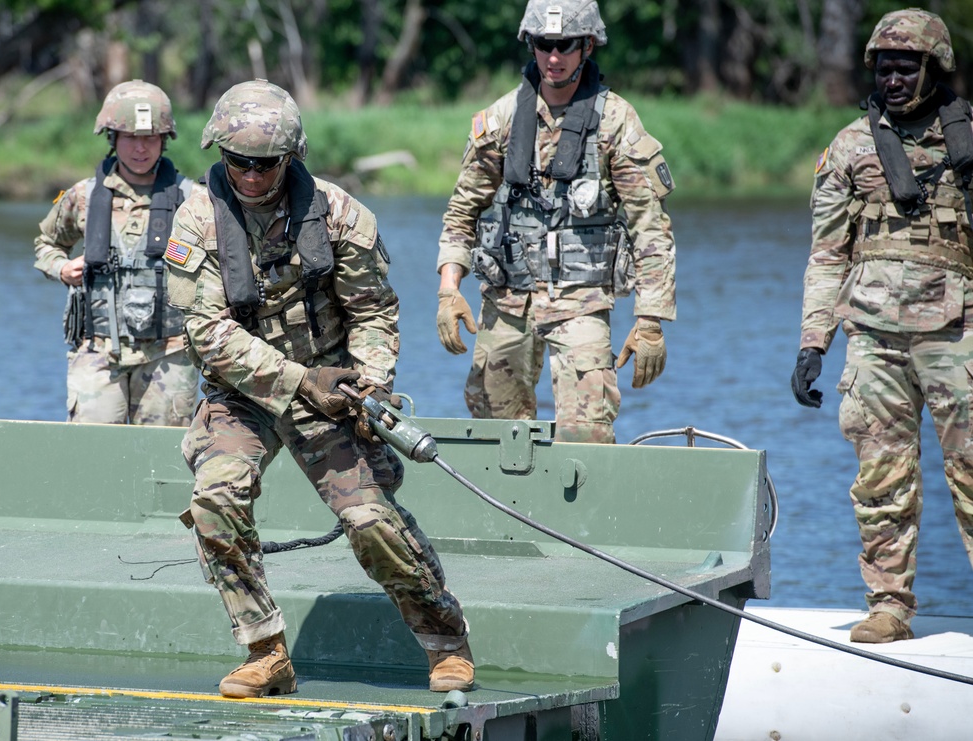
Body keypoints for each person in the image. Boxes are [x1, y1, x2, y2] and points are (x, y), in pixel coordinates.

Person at [164, 79, 474, 698]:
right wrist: (300, 381)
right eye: (237, 163)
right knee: (214, 499)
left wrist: (373, 387)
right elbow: (208, 332)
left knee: (369, 519)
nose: (250, 176)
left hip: (334, 385)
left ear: (292, 157)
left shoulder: (339, 213)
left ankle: (446, 641)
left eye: (265, 164)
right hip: (244, 392)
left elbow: (373, 311)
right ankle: (265, 649)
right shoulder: (196, 217)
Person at [792, 9, 973, 644]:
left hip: (958, 332)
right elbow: (826, 255)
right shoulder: (849, 147)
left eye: (906, 67)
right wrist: (815, 341)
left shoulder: (968, 139)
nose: (892, 79)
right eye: (883, 67)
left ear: (934, 68)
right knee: (881, 479)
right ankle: (890, 605)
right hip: (872, 338)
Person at [435, 0, 677, 444]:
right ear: (531, 44)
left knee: (585, 433)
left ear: (586, 46)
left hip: (581, 301)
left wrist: (650, 320)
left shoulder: (615, 122)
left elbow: (650, 228)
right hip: (507, 302)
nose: (553, 57)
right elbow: (462, 210)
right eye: (544, 45)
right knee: (494, 434)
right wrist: (449, 290)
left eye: (564, 45)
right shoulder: (502, 119)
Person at [33, 79, 199, 426]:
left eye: (150, 137)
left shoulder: (192, 199)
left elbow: (223, 264)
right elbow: (46, 244)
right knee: (91, 454)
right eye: (130, 138)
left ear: (164, 141)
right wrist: (62, 268)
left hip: (168, 351)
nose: (141, 148)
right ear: (113, 139)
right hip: (97, 349)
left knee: (163, 461)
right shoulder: (83, 195)